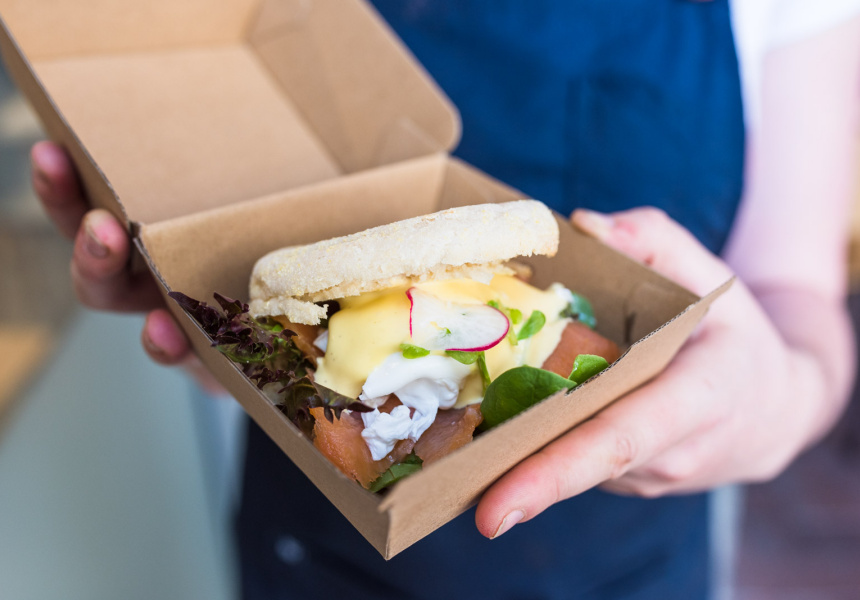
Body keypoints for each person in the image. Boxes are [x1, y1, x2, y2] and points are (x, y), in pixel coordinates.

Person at [29, 1, 860, 598]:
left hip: (624, 567)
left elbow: (796, 295)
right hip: (321, 557)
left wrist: (780, 397)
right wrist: (216, 349)